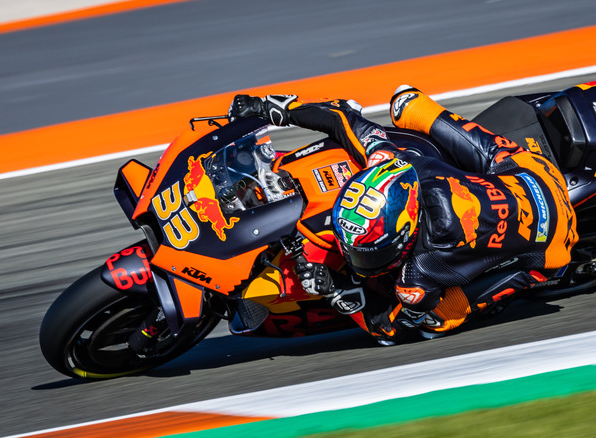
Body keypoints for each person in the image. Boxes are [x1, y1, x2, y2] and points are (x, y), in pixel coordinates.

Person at [228, 87, 578, 345]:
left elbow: (388, 328)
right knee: (407, 103)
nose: (356, 258)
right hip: (530, 172)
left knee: (436, 321)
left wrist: (336, 290)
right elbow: (342, 117)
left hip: (550, 247)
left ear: (406, 235)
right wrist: (274, 108)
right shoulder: (394, 163)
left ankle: (519, 279)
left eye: (368, 252)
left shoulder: (419, 273)